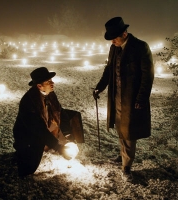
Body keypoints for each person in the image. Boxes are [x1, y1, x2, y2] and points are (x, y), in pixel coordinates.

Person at [93, 17, 154, 182]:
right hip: (117, 97)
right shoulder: (114, 48)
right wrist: (100, 87)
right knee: (121, 128)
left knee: (129, 132)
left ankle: (126, 167)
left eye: (114, 38)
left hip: (132, 99)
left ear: (124, 33)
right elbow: (109, 70)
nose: (112, 41)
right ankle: (123, 156)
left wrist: (141, 99)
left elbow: (147, 77)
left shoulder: (141, 47)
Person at [13, 67, 84, 177]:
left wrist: (68, 135)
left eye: (51, 80)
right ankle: (25, 151)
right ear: (39, 86)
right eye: (48, 82)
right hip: (28, 134)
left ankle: (49, 144)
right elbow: (38, 129)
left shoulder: (50, 94)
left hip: (45, 124)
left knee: (72, 116)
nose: (52, 83)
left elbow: (60, 112)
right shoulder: (29, 102)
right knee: (29, 167)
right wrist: (59, 148)